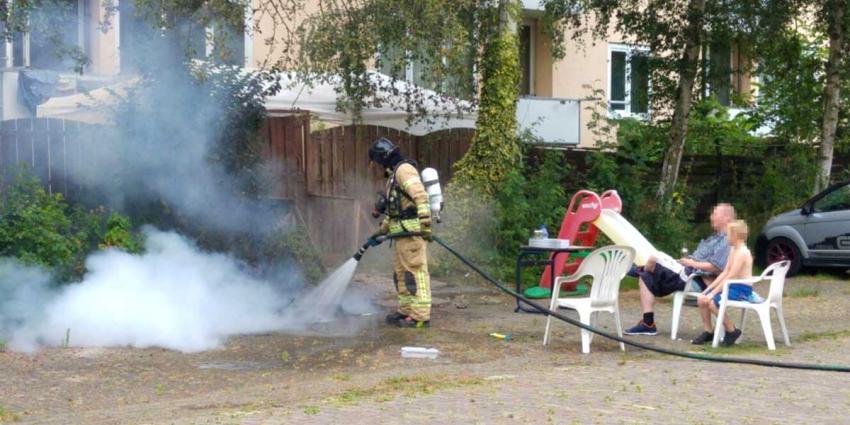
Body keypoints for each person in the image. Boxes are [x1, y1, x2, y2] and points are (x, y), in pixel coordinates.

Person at [624, 203, 736, 336]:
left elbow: (716, 267)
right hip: (686, 271)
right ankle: (648, 324)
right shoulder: (714, 238)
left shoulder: (727, 240)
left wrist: (692, 263)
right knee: (646, 275)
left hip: (695, 277)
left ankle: (637, 271)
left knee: (655, 257)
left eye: (715, 214)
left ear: (726, 218)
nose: (711, 217)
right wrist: (687, 261)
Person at [366, 137, 433, 328]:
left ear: (384, 158)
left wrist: (426, 228)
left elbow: (421, 198)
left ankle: (420, 316)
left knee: (415, 273)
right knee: (401, 275)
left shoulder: (404, 170)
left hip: (411, 234)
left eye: (378, 163)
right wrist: (379, 233)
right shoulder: (394, 175)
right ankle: (406, 310)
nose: (379, 167)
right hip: (401, 235)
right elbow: (395, 213)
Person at [691, 220, 753, 346]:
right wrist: (708, 291)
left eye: (728, 235)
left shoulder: (742, 252)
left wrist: (713, 293)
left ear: (735, 235)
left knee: (712, 303)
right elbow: (725, 273)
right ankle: (708, 331)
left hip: (741, 288)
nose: (726, 238)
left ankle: (731, 330)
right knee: (701, 299)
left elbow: (731, 275)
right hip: (731, 285)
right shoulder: (733, 250)